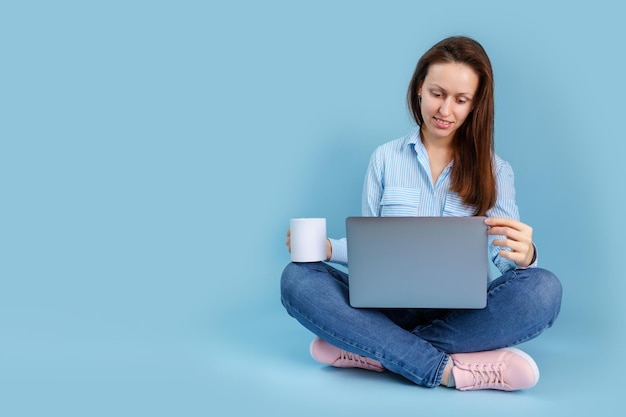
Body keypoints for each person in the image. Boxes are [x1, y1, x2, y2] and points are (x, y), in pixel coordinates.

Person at [280, 36, 562, 391]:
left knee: (543, 289)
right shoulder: (384, 158)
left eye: (461, 100)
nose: (445, 110)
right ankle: (448, 370)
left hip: (462, 315)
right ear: (419, 90)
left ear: (476, 105)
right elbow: (373, 254)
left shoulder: (496, 171)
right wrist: (328, 250)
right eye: (437, 93)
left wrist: (526, 257)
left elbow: (506, 263)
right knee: (297, 279)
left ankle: (373, 349)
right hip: (387, 308)